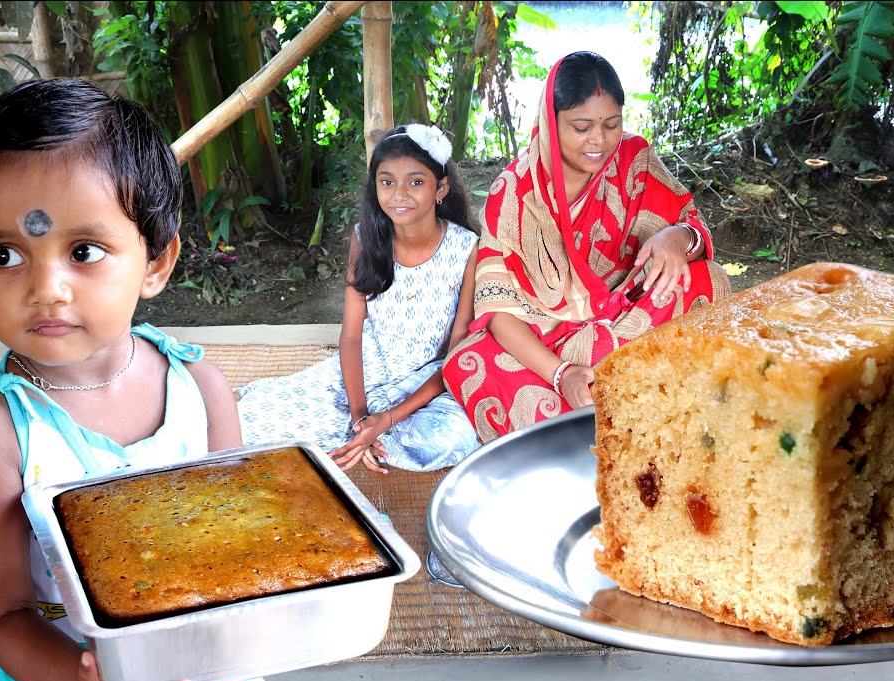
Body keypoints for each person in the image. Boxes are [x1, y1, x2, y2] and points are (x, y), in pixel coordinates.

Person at [0, 79, 286, 681]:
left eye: (84, 250)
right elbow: (2, 615)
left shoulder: (199, 391)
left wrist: (228, 642)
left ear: (154, 262)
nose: (48, 288)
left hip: (188, 662)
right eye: (5, 253)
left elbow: (229, 548)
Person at [442, 51, 732, 442]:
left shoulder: (635, 160)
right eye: (581, 127)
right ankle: (631, 411)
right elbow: (498, 311)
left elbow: (691, 225)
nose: (599, 140)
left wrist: (677, 238)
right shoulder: (514, 193)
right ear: (551, 121)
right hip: (550, 344)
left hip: (628, 319)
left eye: (611, 124)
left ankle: (592, 421)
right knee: (466, 362)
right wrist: (561, 374)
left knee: (707, 280)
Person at [236, 124, 481, 474]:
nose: (399, 194)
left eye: (415, 182)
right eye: (387, 182)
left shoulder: (465, 247)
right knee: (262, 421)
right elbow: (350, 336)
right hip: (368, 365)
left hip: (431, 378)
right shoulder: (366, 240)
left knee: (452, 437)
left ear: (440, 188)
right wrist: (360, 417)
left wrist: (389, 418)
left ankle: (373, 441)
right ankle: (361, 438)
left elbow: (456, 355)